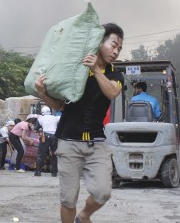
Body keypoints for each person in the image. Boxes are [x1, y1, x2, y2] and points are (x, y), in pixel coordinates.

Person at [35, 23, 124, 223]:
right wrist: (42, 93)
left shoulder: (115, 74)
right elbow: (60, 105)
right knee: (68, 198)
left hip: (97, 143)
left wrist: (96, 70)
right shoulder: (75, 69)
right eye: (113, 45)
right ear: (99, 42)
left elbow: (112, 92)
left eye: (119, 48)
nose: (116, 51)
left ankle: (84, 216)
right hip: (68, 141)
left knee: (103, 192)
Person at [34, 106, 60, 177]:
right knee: (55, 154)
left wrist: (40, 130)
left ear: (42, 112)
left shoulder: (40, 119)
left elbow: (36, 129)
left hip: (44, 136)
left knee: (41, 154)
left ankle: (38, 172)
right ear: (50, 111)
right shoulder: (55, 118)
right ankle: (54, 173)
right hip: (54, 136)